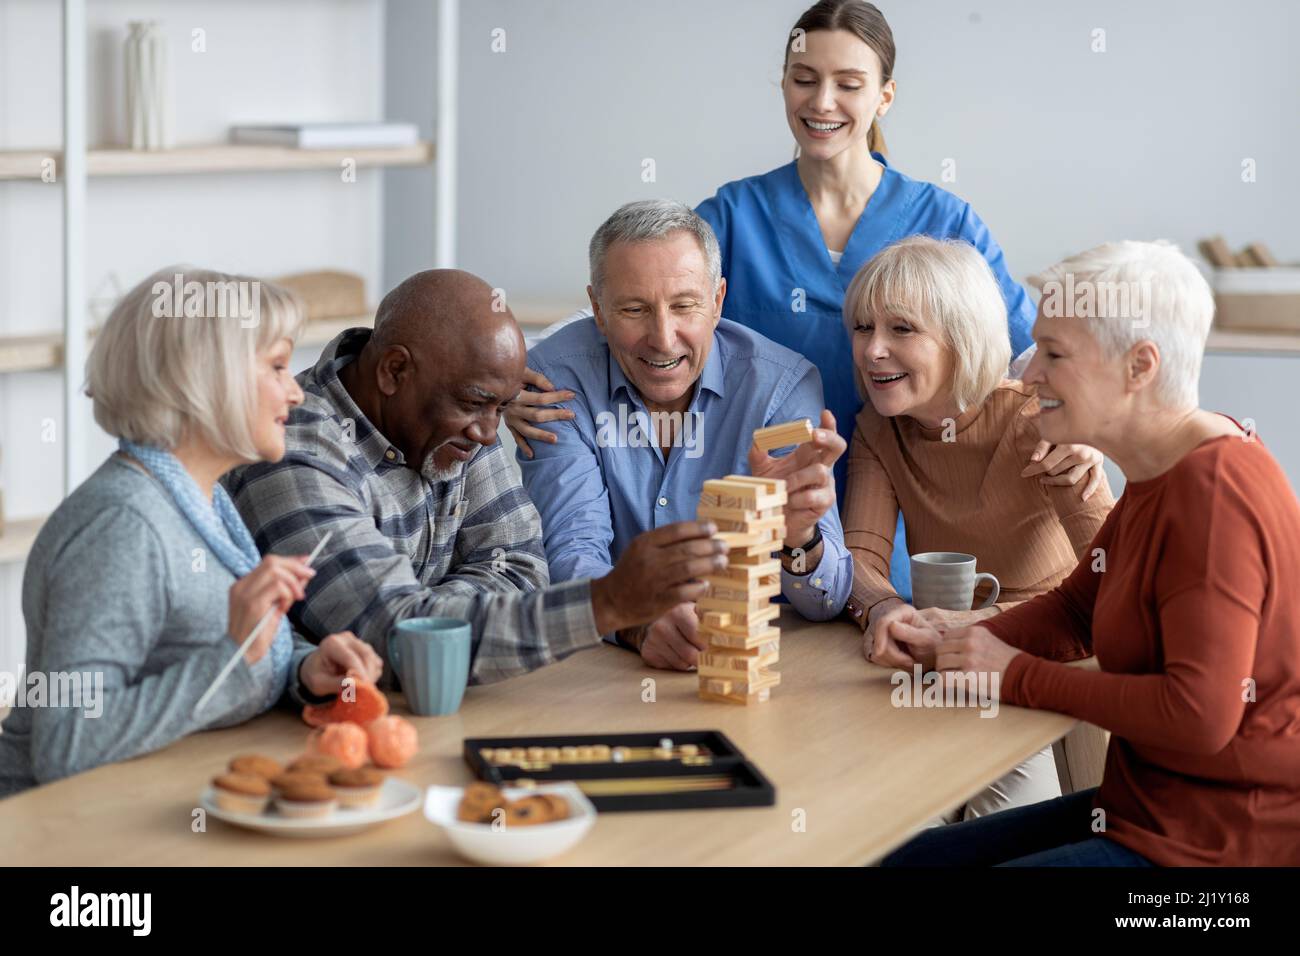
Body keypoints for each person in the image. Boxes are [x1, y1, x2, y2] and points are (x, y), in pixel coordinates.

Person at [505, 0, 1102, 600]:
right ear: (784, 86)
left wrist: (1078, 423)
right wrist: (519, 383)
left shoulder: (944, 222)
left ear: (884, 96)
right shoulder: (734, 216)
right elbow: (642, 301)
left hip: (891, 521)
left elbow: (1027, 350)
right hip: (771, 524)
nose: (822, 103)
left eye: (848, 83)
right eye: (804, 79)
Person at [880, 240, 1300, 866]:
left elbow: (1199, 716)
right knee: (898, 862)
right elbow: (1077, 613)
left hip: (1216, 853)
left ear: (1140, 367)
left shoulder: (1213, 494)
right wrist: (962, 635)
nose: (1027, 375)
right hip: (1148, 810)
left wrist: (1012, 672)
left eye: (1053, 355)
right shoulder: (1169, 466)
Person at [226, 269, 729, 686]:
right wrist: (608, 603)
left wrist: (430, 612)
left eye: (502, 408)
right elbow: (398, 641)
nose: (491, 436)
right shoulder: (289, 446)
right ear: (394, 371)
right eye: (475, 404)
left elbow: (522, 566)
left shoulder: (461, 416)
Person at [0, 268, 381, 797]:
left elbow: (212, 653)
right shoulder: (123, 527)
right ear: (205, 379)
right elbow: (67, 745)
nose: (295, 392)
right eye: (276, 365)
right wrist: (233, 653)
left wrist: (303, 669)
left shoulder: (207, 497)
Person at [844, 236, 1114, 820]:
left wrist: (981, 624)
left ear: (960, 337)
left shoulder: (1037, 419)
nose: (873, 351)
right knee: (885, 825)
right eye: (863, 328)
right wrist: (884, 608)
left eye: (902, 330)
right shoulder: (878, 429)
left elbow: (1118, 588)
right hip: (934, 667)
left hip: (1039, 659)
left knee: (1001, 829)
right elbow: (859, 559)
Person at [518, 200, 850, 669]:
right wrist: (635, 623)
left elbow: (825, 599)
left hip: (759, 664)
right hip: (604, 671)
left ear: (717, 302)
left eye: (684, 306)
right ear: (597, 308)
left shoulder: (781, 388)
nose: (663, 337)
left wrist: (798, 536)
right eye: (634, 309)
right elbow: (572, 550)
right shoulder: (553, 380)